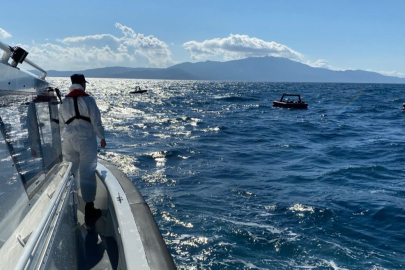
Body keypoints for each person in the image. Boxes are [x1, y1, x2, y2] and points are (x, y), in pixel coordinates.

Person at [59, 74, 106, 219]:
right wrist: (102, 137)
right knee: (87, 172)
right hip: (86, 140)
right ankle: (89, 209)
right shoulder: (89, 99)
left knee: (70, 172)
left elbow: (60, 124)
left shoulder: (64, 101)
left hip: (68, 139)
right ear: (81, 84)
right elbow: (96, 121)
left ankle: (67, 206)